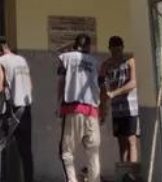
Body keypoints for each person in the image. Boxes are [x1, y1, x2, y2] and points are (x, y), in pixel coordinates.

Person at [0, 36, 33, 182]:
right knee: (25, 151)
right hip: (26, 109)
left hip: (12, 111)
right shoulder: (22, 60)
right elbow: (30, 85)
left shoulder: (0, 61)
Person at [57, 33, 102, 182]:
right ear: (88, 46)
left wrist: (58, 104)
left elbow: (61, 82)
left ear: (75, 45)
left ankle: (72, 180)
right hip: (92, 110)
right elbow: (100, 85)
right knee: (93, 153)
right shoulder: (95, 62)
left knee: (67, 151)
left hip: (73, 108)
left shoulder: (65, 58)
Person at [101, 35, 140, 164]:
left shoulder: (130, 62)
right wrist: (103, 107)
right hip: (117, 109)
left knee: (131, 140)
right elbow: (102, 86)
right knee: (121, 142)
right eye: (113, 50)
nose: (116, 53)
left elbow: (133, 83)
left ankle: (132, 169)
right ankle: (123, 170)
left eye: (118, 49)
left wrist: (115, 93)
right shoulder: (107, 65)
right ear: (109, 49)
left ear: (122, 48)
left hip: (131, 108)